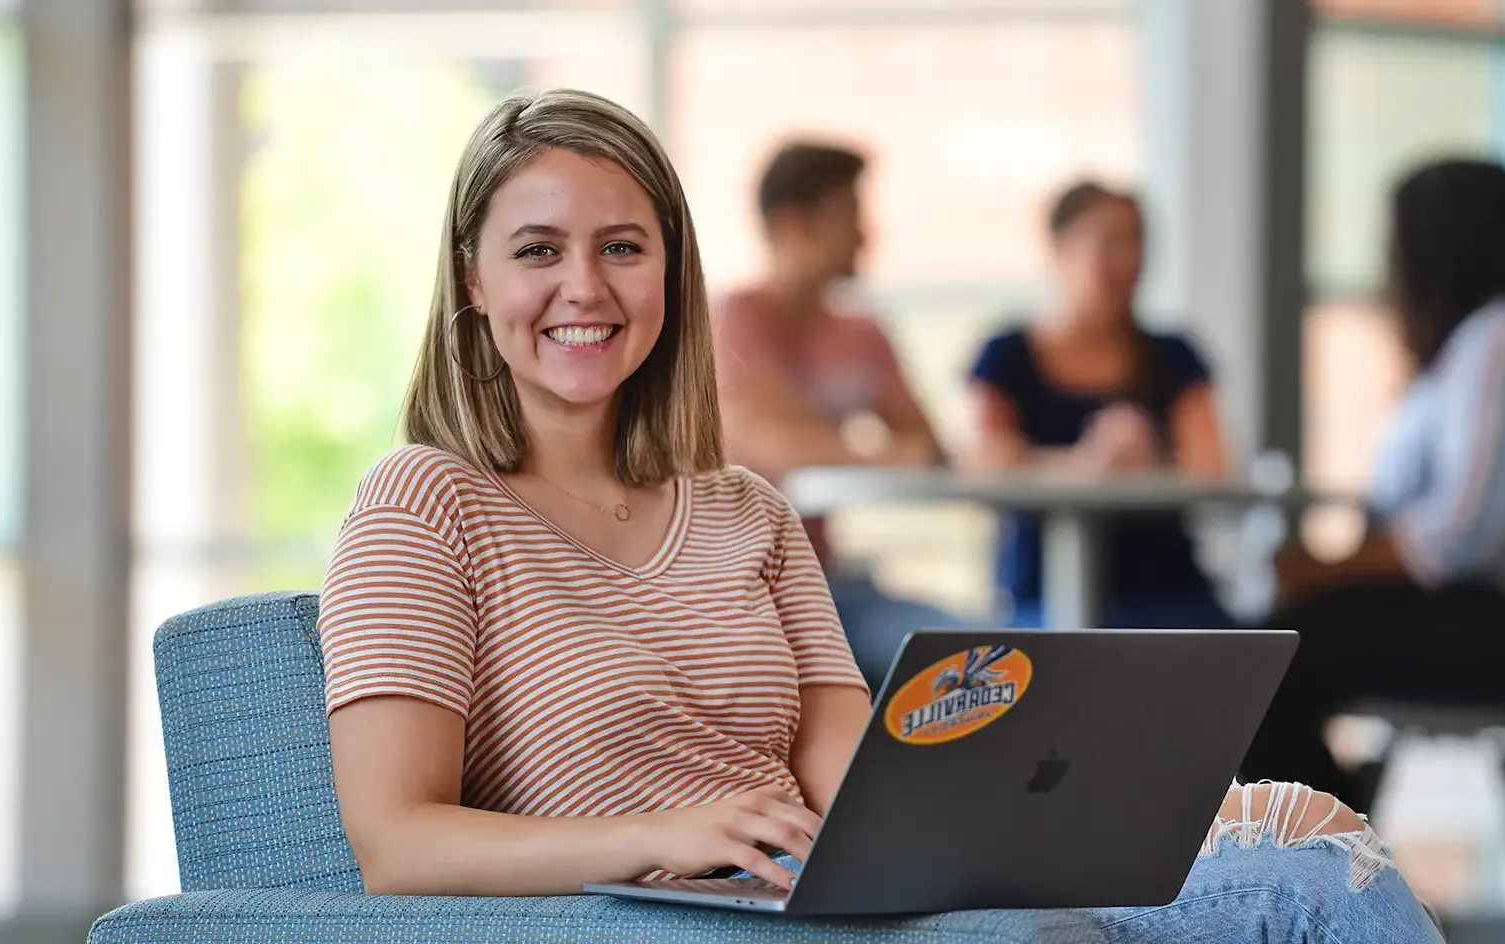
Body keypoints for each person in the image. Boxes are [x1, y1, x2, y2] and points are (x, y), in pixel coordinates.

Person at [315, 88, 1443, 941]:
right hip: (689, 907)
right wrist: (656, 835)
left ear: (670, 271)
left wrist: (1033, 807)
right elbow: (394, 841)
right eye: (537, 251)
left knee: (1299, 822)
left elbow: (860, 769)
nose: (586, 288)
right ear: (470, 277)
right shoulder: (425, 501)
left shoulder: (746, 511)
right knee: (1311, 872)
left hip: (841, 890)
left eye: (623, 247)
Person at [1241, 159, 1505, 813]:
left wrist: (1324, 568)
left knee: (1266, 663)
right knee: (1274, 647)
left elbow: (1460, 535)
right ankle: (1339, 832)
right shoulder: (1502, 338)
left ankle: (1331, 855)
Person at [711, 141, 966, 690]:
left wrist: (873, 449)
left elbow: (927, 447)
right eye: (850, 216)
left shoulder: (862, 333)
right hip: (734, 591)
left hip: (826, 584)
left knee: (984, 652)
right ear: (794, 224)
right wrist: (886, 452)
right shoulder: (734, 317)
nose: (866, 236)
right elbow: (770, 446)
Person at [963, 181, 1234, 630]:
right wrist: (1087, 463)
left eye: (1136, 242)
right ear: (1058, 248)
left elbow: (1212, 465)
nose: (1125, 262)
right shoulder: (1007, 354)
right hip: (1039, 595)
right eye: (1108, 241)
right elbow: (982, 461)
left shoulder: (1174, 355)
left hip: (1167, 592)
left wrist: (1144, 460)